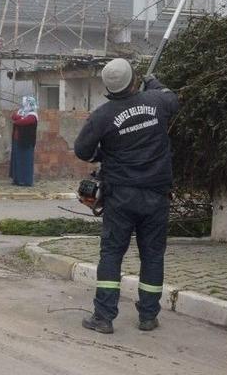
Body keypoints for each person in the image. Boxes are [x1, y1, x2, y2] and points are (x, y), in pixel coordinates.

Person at [73, 58, 180, 334]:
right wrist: (153, 81)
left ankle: (104, 317)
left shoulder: (103, 116)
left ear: (108, 88)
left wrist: (104, 153)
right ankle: (148, 317)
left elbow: (82, 150)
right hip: (156, 196)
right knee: (153, 255)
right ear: (135, 80)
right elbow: (173, 99)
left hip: (120, 196)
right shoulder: (157, 101)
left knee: (111, 254)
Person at [10, 96, 38, 186]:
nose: (23, 103)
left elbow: (23, 122)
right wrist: (20, 118)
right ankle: (17, 180)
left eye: (25, 102)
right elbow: (13, 116)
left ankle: (26, 181)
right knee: (17, 161)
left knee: (26, 161)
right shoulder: (21, 112)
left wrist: (19, 119)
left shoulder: (33, 115)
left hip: (26, 142)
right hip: (17, 141)